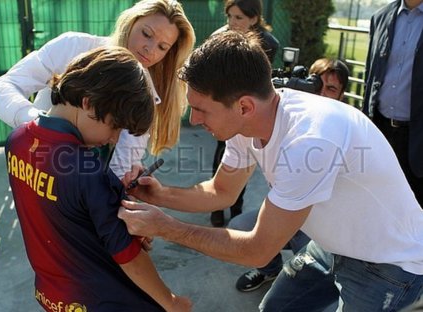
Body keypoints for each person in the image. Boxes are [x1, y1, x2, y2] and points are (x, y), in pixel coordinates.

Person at [118, 31, 423, 311]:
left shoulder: (308, 142)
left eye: (202, 109)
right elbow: (222, 192)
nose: (194, 120)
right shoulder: (245, 124)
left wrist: (165, 227)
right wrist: (159, 195)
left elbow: (256, 251)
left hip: (388, 263)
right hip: (332, 247)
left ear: (245, 107)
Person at [5, 47, 191, 311]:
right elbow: (128, 256)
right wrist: (170, 302)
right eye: (115, 125)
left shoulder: (17, 140)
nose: (115, 138)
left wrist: (111, 207)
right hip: (104, 299)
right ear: (89, 102)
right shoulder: (89, 170)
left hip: (52, 295)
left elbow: (59, 213)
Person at [0, 0, 195, 178]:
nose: (149, 49)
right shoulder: (74, 47)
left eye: (162, 47)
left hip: (89, 196)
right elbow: (0, 89)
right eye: (146, 34)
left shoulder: (148, 92)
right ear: (131, 23)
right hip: (39, 172)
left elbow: (123, 163)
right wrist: (41, 124)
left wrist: (125, 179)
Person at [231, 57, 349, 299]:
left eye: (332, 89)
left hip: (324, 227)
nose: (322, 93)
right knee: (239, 228)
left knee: (303, 270)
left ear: (342, 96)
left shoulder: (342, 128)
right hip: (288, 213)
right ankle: (271, 271)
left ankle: (303, 283)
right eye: (316, 84)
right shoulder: (289, 120)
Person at [210, 0, 280, 227]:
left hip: (251, 109)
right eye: (229, 16)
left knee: (246, 156)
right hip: (224, 105)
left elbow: (260, 83)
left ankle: (236, 205)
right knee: (223, 153)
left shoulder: (268, 43)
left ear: (254, 18)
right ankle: (217, 206)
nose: (231, 22)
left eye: (238, 17)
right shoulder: (218, 38)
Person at [363, 0, 423, 208]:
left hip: (417, 140)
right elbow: (370, 77)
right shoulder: (380, 17)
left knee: (414, 213)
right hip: (380, 133)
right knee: (376, 206)